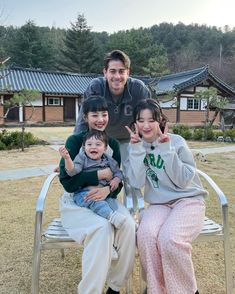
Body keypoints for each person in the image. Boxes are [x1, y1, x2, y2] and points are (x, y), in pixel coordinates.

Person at [124, 99, 208, 294]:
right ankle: (156, 290)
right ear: (135, 123)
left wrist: (166, 149)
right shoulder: (136, 146)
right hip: (159, 204)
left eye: (151, 120)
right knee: (145, 236)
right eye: (140, 120)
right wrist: (136, 151)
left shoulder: (176, 141)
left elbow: (184, 180)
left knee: (169, 239)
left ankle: (187, 291)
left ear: (160, 120)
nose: (146, 125)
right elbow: (136, 183)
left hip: (188, 200)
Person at [59, 96, 136, 294]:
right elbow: (68, 182)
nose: (100, 119)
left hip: (107, 199)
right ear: (85, 117)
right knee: (102, 228)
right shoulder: (75, 141)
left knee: (128, 225)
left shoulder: (113, 145)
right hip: (79, 202)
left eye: (104, 114)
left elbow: (117, 181)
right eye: (95, 115)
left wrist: (107, 189)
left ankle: (115, 287)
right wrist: (98, 174)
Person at [74, 49, 151, 209]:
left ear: (128, 72)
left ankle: (133, 213)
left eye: (122, 71)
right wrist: (71, 156)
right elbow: (84, 119)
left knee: (133, 176)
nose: (117, 76)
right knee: (101, 172)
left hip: (130, 139)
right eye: (112, 71)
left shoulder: (139, 89)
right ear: (105, 72)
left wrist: (153, 147)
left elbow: (149, 119)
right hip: (104, 139)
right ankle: (106, 208)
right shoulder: (96, 87)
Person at [59, 129, 126, 229]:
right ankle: (111, 216)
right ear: (84, 147)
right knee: (97, 203)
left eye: (98, 144)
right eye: (89, 144)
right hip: (84, 193)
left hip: (103, 193)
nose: (93, 147)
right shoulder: (82, 158)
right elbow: (72, 171)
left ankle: (119, 223)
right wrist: (68, 159)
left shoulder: (108, 159)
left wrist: (116, 180)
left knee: (112, 205)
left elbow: (118, 172)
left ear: (105, 148)